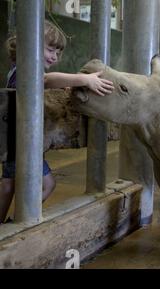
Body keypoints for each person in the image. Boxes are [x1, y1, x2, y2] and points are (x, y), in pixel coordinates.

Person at [0, 20, 114, 223]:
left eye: (57, 52)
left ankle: (13, 222)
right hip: (19, 142)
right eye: (50, 49)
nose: (55, 56)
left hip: (23, 141)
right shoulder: (24, 72)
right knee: (33, 184)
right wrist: (84, 80)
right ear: (29, 47)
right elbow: (45, 80)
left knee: (13, 183)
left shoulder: (20, 71)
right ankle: (17, 222)